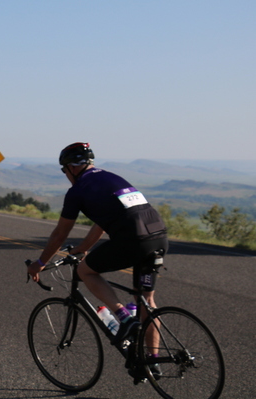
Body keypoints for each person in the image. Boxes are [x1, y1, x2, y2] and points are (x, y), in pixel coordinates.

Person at [27, 143, 168, 362]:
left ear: (72, 168)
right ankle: (153, 360)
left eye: (64, 170)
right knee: (146, 302)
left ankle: (123, 316)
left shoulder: (78, 190)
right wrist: (82, 248)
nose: (66, 175)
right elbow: (101, 225)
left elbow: (60, 234)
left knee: (86, 271)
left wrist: (40, 262)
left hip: (132, 240)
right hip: (158, 236)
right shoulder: (110, 178)